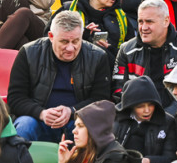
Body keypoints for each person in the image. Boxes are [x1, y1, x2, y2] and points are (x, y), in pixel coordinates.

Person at [6, 11, 113, 143]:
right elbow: (15, 98)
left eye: (75, 41)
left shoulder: (98, 56)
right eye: (64, 41)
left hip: (77, 120)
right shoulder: (28, 53)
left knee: (86, 126)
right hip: (37, 119)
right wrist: (41, 113)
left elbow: (100, 99)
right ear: (51, 36)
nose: (70, 48)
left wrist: (72, 111)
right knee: (24, 125)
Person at [113, 0, 177, 110]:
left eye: (149, 22)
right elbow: (119, 94)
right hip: (138, 119)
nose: (143, 28)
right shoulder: (126, 50)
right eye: (140, 21)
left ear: (166, 21)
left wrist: (166, 118)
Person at [113, 76, 177, 163]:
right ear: (131, 106)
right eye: (140, 106)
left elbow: (170, 158)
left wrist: (149, 161)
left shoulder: (167, 123)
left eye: (151, 104)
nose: (147, 110)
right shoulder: (117, 119)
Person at [57, 101, 142, 163]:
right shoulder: (83, 154)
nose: (74, 131)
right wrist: (65, 162)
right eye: (76, 126)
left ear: (95, 129)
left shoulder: (114, 159)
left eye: (80, 126)